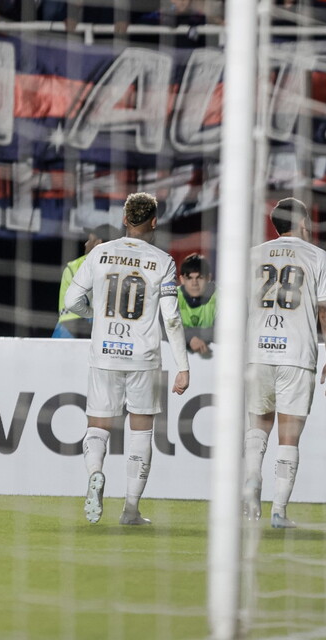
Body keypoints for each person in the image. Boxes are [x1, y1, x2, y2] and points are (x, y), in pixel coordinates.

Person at [64, 192, 190, 525]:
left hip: (104, 353)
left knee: (98, 425)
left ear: (124, 219)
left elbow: (72, 300)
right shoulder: (163, 261)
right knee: (141, 432)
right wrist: (183, 366)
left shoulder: (100, 253)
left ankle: (95, 471)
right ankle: (131, 510)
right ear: (154, 222)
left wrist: (95, 315)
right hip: (143, 357)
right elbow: (171, 318)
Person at [242, 197, 326, 529]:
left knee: (258, 426)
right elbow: (325, 312)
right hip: (296, 355)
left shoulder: (254, 254)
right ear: (301, 222)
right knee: (289, 437)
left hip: (257, 353)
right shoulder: (316, 256)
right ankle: (279, 512)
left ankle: (252, 479)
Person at [52, 224, 120, 339]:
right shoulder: (127, 267)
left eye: (90, 240)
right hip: (112, 334)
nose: (86, 244)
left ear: (98, 243)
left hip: (76, 335)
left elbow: (70, 318)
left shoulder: (75, 267)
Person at [176, 253, 217, 357]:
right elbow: (163, 329)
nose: (194, 283)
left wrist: (187, 335)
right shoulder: (172, 297)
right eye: (189, 278)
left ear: (208, 278)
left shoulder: (222, 298)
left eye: (199, 277)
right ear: (182, 280)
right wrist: (190, 337)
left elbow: (226, 332)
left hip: (215, 358)